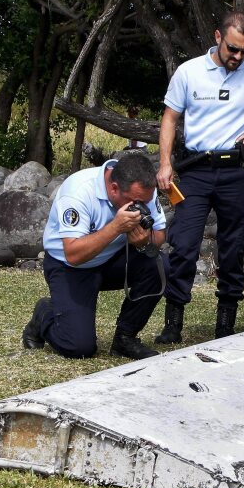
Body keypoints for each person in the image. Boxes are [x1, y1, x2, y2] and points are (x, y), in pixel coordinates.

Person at [154, 11, 244, 343]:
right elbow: (170, 118)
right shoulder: (189, 72)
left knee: (233, 247)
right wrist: (164, 164)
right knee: (184, 245)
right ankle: (173, 324)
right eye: (233, 48)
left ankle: (225, 326)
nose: (238, 56)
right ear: (218, 37)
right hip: (195, 170)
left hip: (235, 172)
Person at [22, 153, 168, 360]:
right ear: (114, 188)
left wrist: (144, 241)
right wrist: (116, 227)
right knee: (79, 347)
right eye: (135, 202)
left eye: (145, 202)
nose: (140, 208)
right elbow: (73, 254)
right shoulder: (78, 191)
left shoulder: (142, 191)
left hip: (112, 259)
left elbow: (159, 235)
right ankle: (44, 313)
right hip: (71, 267)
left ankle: (125, 339)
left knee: (159, 265)